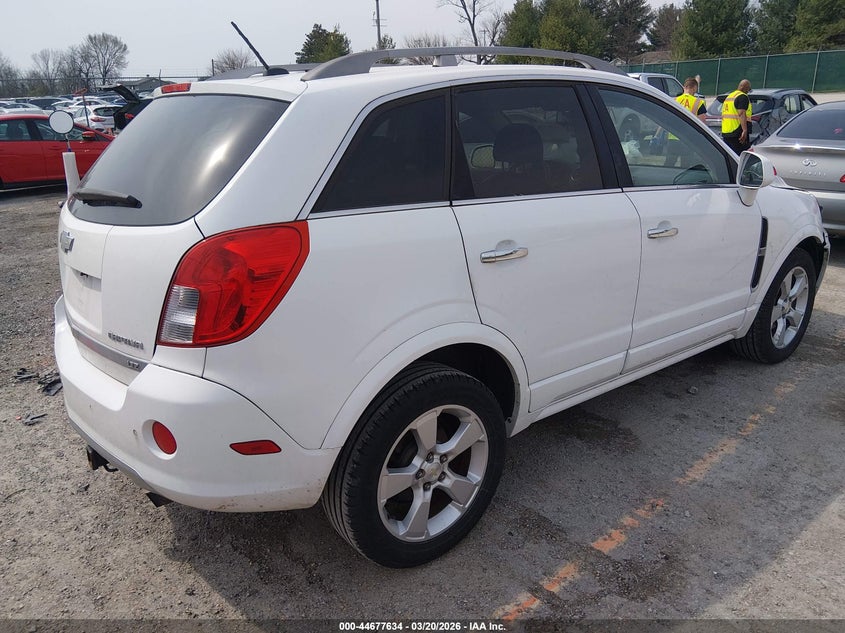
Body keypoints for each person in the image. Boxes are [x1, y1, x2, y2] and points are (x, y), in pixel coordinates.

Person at [664, 77, 708, 166]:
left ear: (684, 87)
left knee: (668, 164)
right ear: (695, 88)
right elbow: (702, 123)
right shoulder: (698, 102)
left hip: (673, 138)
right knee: (686, 166)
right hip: (688, 139)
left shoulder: (675, 100)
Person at [722, 79, 752, 154]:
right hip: (738, 132)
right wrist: (744, 130)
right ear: (745, 87)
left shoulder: (730, 96)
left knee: (730, 155)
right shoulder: (742, 97)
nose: (748, 91)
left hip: (726, 132)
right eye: (748, 89)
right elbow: (741, 113)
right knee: (741, 156)